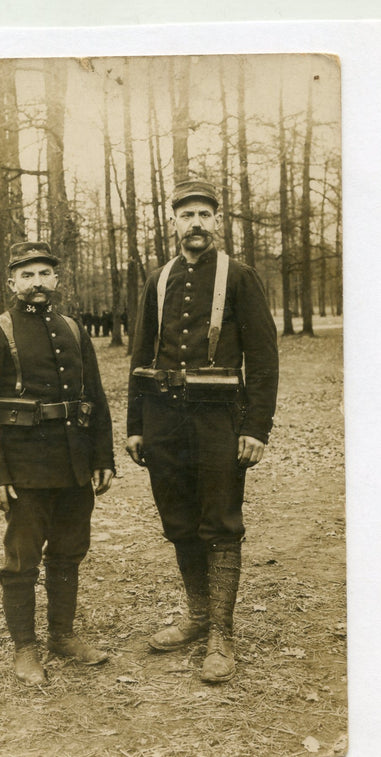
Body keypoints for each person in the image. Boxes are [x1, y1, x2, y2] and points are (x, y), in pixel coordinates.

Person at [126, 179, 278, 683]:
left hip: (219, 421)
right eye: (186, 215)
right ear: (173, 223)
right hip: (164, 420)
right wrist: (135, 425)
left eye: (203, 215)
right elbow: (141, 355)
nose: (195, 224)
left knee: (220, 520)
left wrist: (256, 426)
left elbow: (262, 358)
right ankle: (195, 616)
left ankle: (222, 633)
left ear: (217, 222)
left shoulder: (239, 277)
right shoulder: (158, 278)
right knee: (179, 518)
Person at [0, 241, 115, 686]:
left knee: (69, 551)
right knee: (22, 559)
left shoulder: (72, 327)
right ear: (12, 283)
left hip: (73, 464)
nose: (36, 283)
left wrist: (102, 457)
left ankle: (63, 637)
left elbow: (95, 397)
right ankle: (25, 648)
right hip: (24, 467)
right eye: (26, 276)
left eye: (44, 273)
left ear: (56, 280)